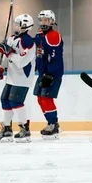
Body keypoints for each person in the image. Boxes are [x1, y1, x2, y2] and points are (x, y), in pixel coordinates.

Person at [0, 14, 37, 143]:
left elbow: (21, 62)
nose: (15, 26)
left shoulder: (29, 42)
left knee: (15, 102)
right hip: (11, 77)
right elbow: (7, 57)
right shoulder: (12, 38)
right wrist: (1, 67)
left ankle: (25, 129)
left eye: (18, 24)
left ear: (25, 26)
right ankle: (6, 129)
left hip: (23, 77)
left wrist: (9, 52)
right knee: (5, 99)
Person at [34, 9, 64, 139]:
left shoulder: (53, 36)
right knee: (40, 99)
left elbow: (55, 57)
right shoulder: (39, 35)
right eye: (41, 20)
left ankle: (54, 125)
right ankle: (50, 122)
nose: (43, 22)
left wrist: (50, 74)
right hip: (43, 73)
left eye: (46, 20)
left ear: (52, 21)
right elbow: (37, 53)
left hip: (52, 73)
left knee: (46, 98)